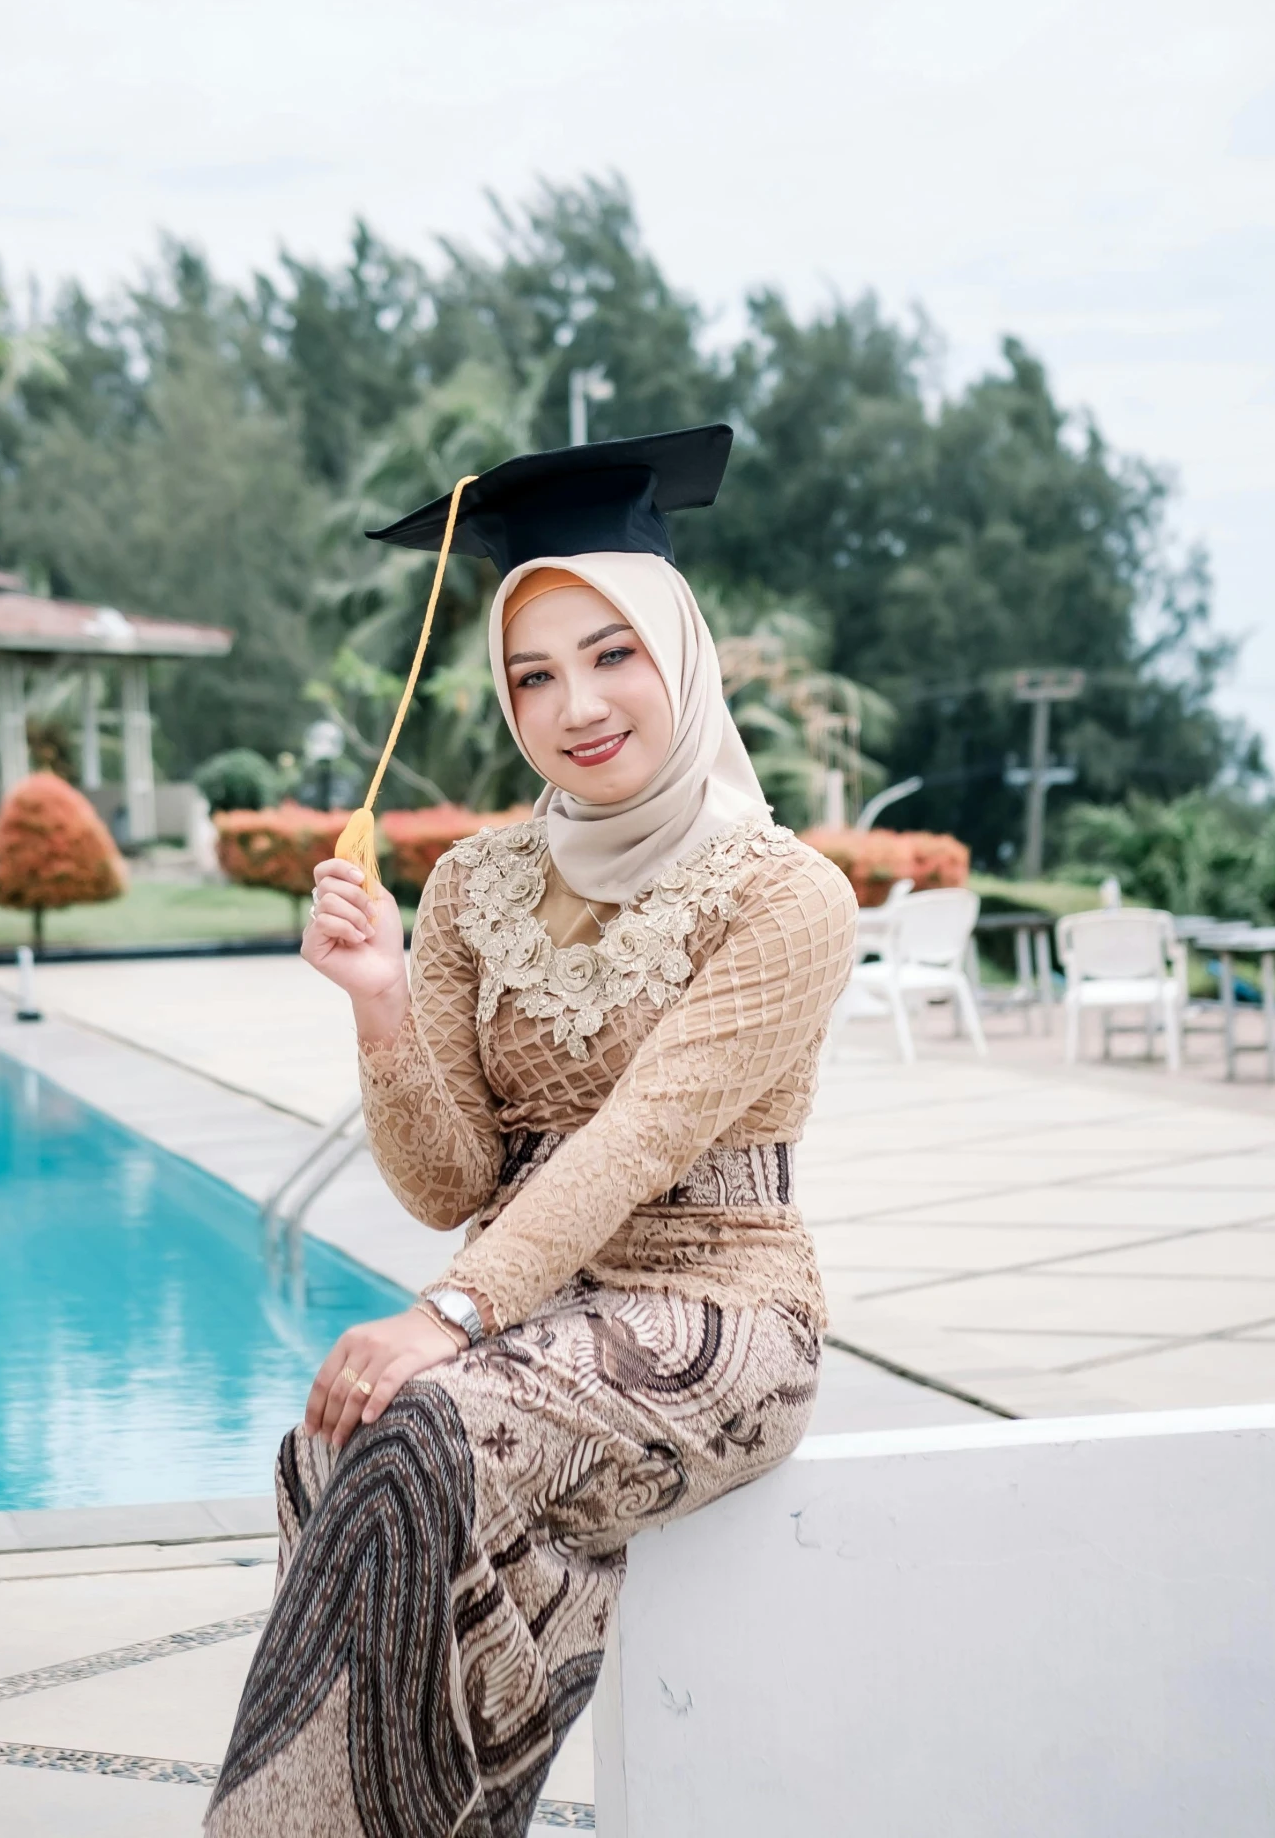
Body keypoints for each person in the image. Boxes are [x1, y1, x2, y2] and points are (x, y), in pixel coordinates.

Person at [206, 427, 858, 1838]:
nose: (575, 704)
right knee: (329, 1449)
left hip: (711, 1309)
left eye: (611, 652)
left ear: (677, 651)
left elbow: (633, 1141)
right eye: (532, 671)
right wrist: (379, 1002)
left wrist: (446, 1312)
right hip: (528, 1314)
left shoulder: (784, 894)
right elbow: (447, 1179)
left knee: (426, 1421)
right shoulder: (473, 881)